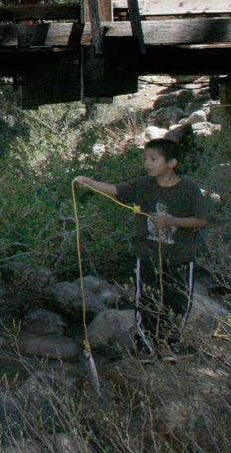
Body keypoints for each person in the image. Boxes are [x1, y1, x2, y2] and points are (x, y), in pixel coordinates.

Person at [74, 138, 208, 354]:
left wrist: (173, 221)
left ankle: (169, 349)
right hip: (146, 258)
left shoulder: (189, 189)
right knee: (146, 304)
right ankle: (145, 349)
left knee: (177, 304)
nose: (147, 163)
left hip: (180, 260)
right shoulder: (142, 185)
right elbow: (114, 189)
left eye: (153, 159)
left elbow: (200, 221)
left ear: (172, 162)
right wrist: (89, 181)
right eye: (146, 158)